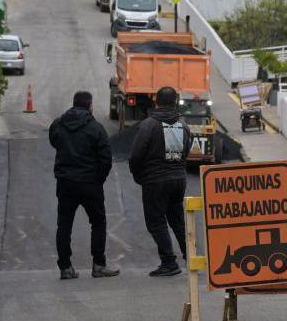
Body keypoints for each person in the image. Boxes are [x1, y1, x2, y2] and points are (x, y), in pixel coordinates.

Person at [48, 91, 119, 280]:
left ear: (73, 104)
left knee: (64, 225)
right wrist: (98, 179)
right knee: (98, 222)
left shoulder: (58, 124)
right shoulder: (96, 128)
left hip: (65, 183)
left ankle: (65, 267)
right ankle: (98, 264)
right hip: (90, 184)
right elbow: (106, 159)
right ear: (90, 105)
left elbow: (54, 142)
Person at [130, 86, 193, 277]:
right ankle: (191, 257)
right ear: (175, 102)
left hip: (155, 181)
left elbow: (135, 156)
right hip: (178, 179)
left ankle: (169, 262)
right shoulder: (184, 126)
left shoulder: (148, 125)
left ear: (156, 102)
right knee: (177, 220)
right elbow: (187, 151)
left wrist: (139, 176)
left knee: (156, 222)